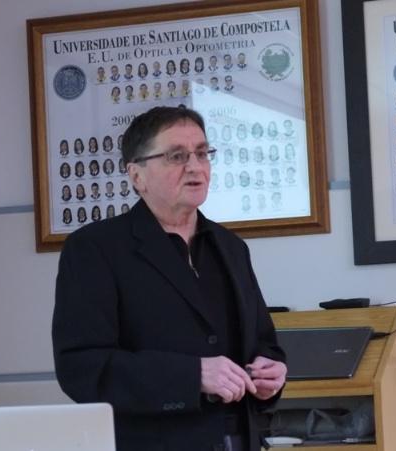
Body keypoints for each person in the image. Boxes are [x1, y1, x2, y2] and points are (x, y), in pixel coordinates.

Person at [53, 106, 286, 451]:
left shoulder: (231, 247)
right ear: (137, 175)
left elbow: (264, 343)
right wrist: (192, 377)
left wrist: (271, 374)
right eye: (177, 156)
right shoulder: (95, 249)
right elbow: (82, 368)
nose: (195, 167)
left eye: (202, 153)